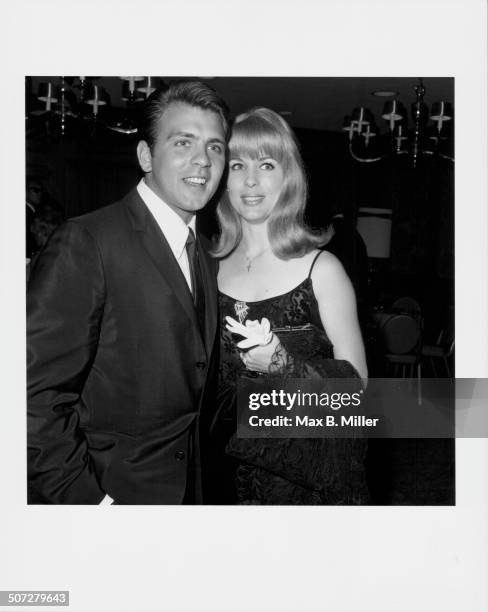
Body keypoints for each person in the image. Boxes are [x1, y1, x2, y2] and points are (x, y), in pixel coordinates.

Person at [27, 81, 229, 504]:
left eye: (215, 147)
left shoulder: (210, 253)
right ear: (145, 156)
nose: (202, 160)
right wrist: (89, 504)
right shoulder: (88, 242)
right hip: (112, 496)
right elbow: (32, 395)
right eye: (183, 142)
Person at [210, 107, 369, 505]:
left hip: (299, 482)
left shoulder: (322, 269)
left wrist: (283, 363)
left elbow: (358, 387)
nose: (250, 180)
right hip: (217, 471)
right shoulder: (204, 264)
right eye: (236, 165)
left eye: (266, 164)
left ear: (288, 178)